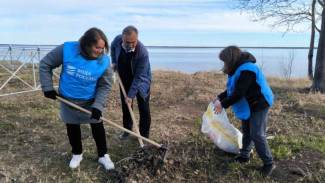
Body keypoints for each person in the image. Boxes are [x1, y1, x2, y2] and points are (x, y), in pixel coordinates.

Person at [39, 27, 115, 170]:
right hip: (68, 99)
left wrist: (98, 105)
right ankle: (77, 153)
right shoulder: (67, 49)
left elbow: (105, 85)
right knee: (72, 125)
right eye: (97, 47)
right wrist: (47, 87)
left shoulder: (104, 62)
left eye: (102, 48)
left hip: (90, 101)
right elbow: (45, 64)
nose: (100, 51)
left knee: (97, 126)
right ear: (87, 44)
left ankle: (103, 155)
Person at [213, 46, 276, 176]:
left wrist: (223, 104)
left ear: (231, 59)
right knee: (246, 131)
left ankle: (269, 163)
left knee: (257, 134)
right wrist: (220, 97)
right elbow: (232, 89)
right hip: (248, 104)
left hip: (259, 103)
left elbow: (239, 93)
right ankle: (244, 156)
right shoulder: (236, 68)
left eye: (224, 61)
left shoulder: (247, 70)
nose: (224, 64)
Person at [110, 25, 152, 140]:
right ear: (122, 38)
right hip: (124, 77)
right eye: (127, 42)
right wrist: (113, 62)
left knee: (144, 108)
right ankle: (127, 130)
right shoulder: (117, 40)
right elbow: (112, 48)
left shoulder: (143, 53)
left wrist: (131, 95)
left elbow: (139, 77)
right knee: (126, 106)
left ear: (137, 38)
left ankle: (144, 136)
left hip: (142, 81)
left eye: (133, 42)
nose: (130, 45)